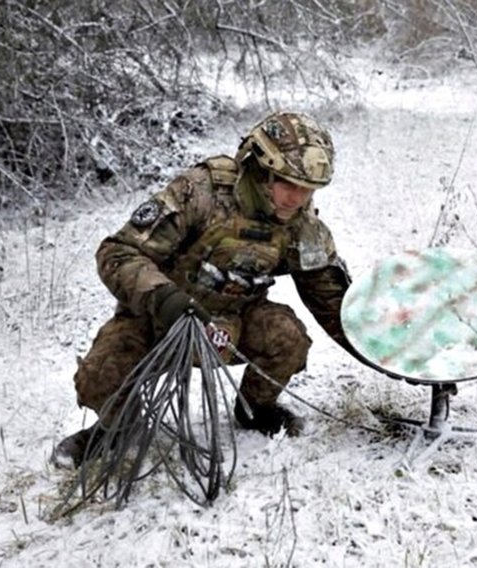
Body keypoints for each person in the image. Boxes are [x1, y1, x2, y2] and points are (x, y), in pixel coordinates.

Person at [51, 111, 360, 469]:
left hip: (232, 324)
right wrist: (164, 298)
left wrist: (395, 357)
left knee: (287, 337)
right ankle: (114, 429)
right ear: (261, 169)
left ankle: (256, 410)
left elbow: (333, 303)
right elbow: (118, 252)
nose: (298, 198)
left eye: (308, 189)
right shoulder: (201, 193)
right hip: (159, 318)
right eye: (288, 184)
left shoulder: (301, 225)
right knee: (102, 374)